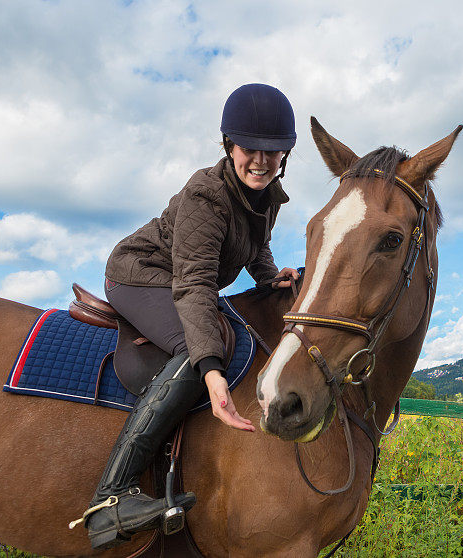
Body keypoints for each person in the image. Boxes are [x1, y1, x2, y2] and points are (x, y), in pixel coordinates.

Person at [73, 84, 300, 550]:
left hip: (181, 277)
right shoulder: (206, 195)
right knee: (197, 346)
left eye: (272, 152)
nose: (260, 160)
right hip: (140, 275)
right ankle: (111, 497)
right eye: (249, 149)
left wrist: (270, 275)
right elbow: (195, 284)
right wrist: (213, 374)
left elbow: (255, 245)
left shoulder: (266, 196)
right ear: (229, 147)